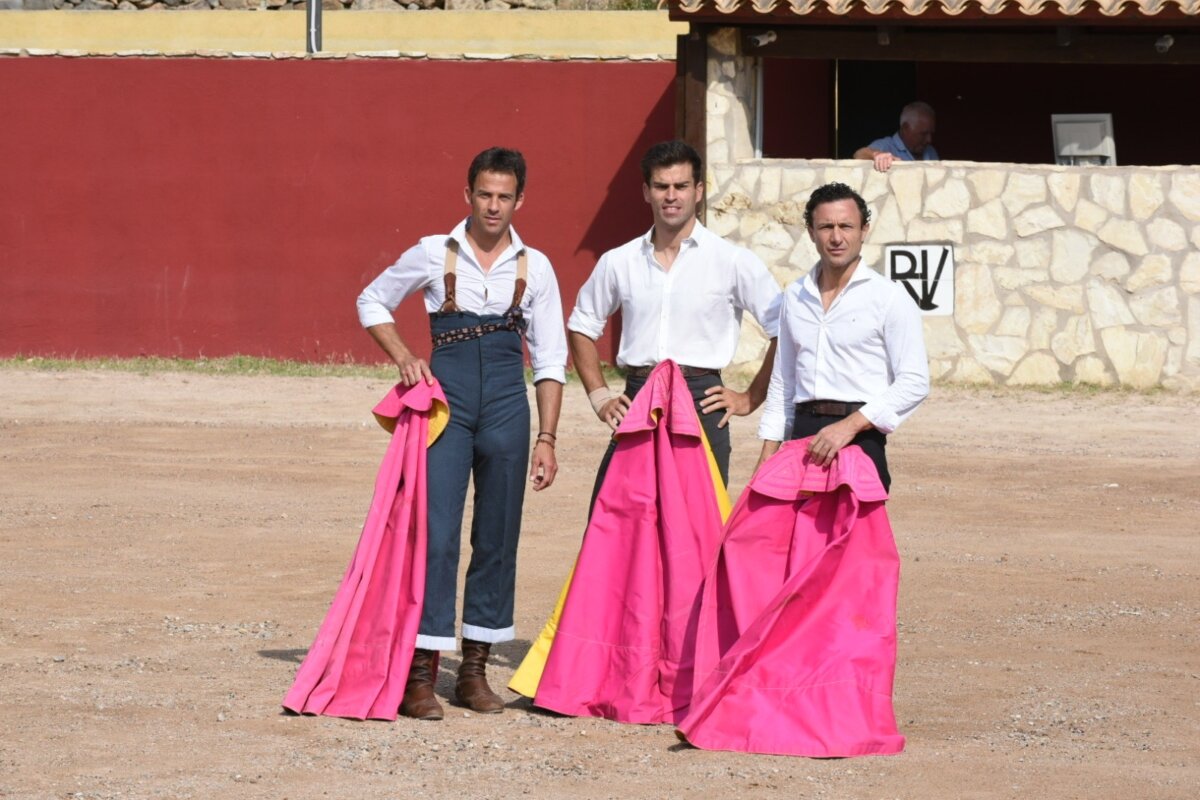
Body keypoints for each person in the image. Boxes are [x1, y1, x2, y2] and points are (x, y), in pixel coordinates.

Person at [355, 147, 567, 721]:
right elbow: (371, 300)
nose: (493, 206)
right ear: (467, 194)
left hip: (507, 404)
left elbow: (550, 358)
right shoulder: (433, 251)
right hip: (446, 405)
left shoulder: (537, 267)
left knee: (498, 535)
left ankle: (473, 672)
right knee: (438, 534)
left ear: (519, 200)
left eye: (504, 197)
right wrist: (404, 356)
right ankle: (421, 674)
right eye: (485, 194)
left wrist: (547, 438)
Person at [567, 139, 781, 491]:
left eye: (681, 186)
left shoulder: (731, 260)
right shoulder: (619, 261)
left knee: (700, 519)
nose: (671, 196)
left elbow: (783, 329)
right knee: (620, 516)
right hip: (639, 396)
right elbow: (581, 326)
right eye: (661, 186)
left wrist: (750, 397)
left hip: (702, 399)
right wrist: (600, 397)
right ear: (646, 192)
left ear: (698, 191)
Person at [756, 181, 929, 491]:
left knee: (855, 525)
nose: (836, 237)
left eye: (846, 226)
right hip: (802, 438)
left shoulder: (889, 297)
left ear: (864, 230)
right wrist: (767, 458)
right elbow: (783, 382)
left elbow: (914, 381)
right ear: (811, 232)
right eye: (826, 227)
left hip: (860, 438)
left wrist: (849, 427)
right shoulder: (794, 295)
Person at [853, 101, 939, 173]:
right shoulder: (886, 146)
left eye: (931, 133)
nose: (929, 139)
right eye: (923, 134)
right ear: (905, 128)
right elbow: (859, 154)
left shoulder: (931, 151)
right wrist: (877, 155)